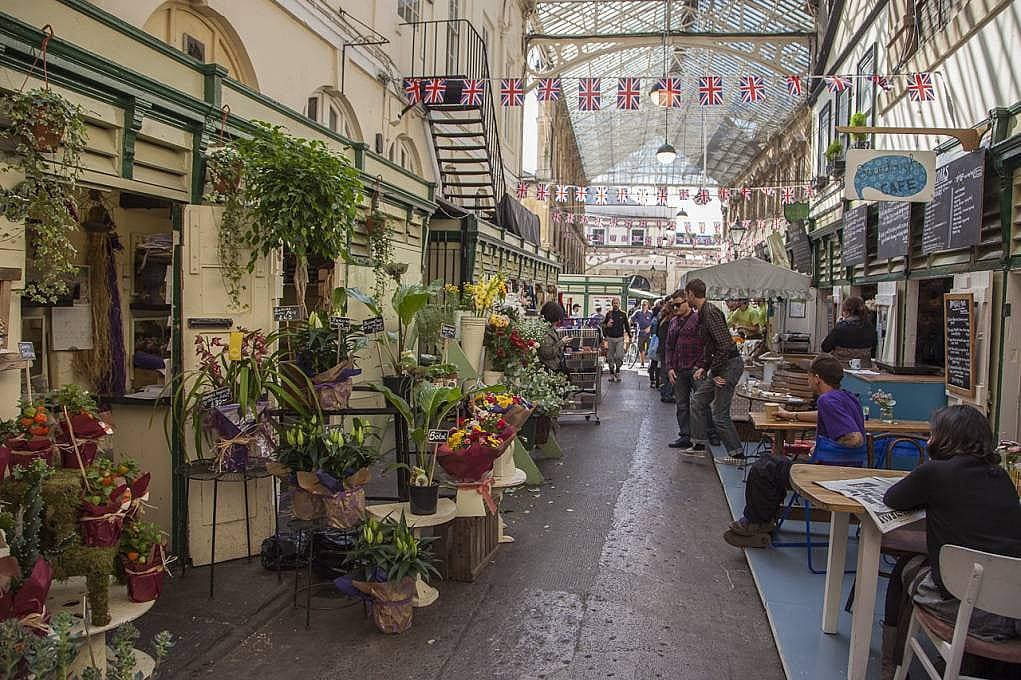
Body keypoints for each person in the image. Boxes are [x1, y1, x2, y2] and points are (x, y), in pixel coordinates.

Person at [880, 405, 1021, 680]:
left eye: (933, 434)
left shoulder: (934, 473)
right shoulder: (1001, 476)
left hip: (969, 609)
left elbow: (893, 499)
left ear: (944, 439)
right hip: (1014, 610)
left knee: (905, 568)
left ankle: (892, 666)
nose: (929, 440)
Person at [723, 354, 867, 547]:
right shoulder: (847, 397)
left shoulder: (827, 401)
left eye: (809, 375)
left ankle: (756, 523)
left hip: (827, 473)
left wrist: (826, 448)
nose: (807, 379)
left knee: (763, 467)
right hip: (850, 469)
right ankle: (765, 518)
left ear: (817, 378)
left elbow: (854, 438)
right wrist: (792, 415)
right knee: (774, 464)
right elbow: (827, 415)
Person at [687, 279, 745, 459]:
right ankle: (698, 445)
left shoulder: (710, 312)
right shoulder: (704, 313)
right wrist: (705, 367)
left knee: (719, 414)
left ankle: (737, 455)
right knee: (698, 401)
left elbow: (725, 345)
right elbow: (711, 346)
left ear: (690, 294)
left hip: (728, 365)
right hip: (722, 365)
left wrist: (717, 373)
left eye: (686, 295)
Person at [666, 297, 719, 449]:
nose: (675, 307)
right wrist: (669, 368)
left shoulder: (697, 319)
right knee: (681, 404)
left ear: (687, 302)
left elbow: (707, 344)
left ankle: (710, 433)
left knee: (702, 403)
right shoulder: (673, 321)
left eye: (678, 304)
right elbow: (669, 346)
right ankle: (685, 436)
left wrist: (702, 365)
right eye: (673, 305)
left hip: (695, 368)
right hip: (679, 368)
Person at [821, 296, 877, 366]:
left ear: (847, 312)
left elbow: (825, 347)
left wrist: (838, 325)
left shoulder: (840, 328)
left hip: (841, 368)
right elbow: (874, 349)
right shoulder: (870, 328)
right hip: (864, 368)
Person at [600, 297, 631, 383]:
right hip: (610, 338)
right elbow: (603, 325)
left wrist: (629, 335)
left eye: (617, 303)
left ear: (619, 304)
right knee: (610, 357)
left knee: (619, 356)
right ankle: (611, 373)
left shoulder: (623, 314)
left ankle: (617, 369)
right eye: (614, 303)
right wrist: (607, 325)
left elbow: (627, 326)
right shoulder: (609, 314)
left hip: (620, 338)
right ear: (612, 304)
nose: (615, 305)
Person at [537, 301, 570, 372]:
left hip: (552, 367)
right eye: (557, 318)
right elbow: (547, 353)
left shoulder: (550, 328)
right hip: (549, 368)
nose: (558, 321)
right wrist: (561, 342)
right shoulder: (544, 331)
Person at [655, 297, 675, 402]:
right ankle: (667, 393)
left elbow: (657, 333)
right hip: (668, 348)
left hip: (662, 348)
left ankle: (665, 392)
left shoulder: (662, 318)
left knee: (664, 370)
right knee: (669, 370)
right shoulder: (671, 320)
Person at [630, 300, 655, 368]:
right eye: (642, 304)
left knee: (650, 349)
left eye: (645, 305)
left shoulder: (650, 313)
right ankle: (642, 363)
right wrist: (630, 326)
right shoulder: (638, 312)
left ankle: (650, 362)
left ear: (647, 305)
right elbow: (631, 319)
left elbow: (654, 322)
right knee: (641, 349)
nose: (643, 306)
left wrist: (649, 328)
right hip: (640, 333)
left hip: (648, 334)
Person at [647, 302, 663, 389]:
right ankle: (656, 381)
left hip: (654, 340)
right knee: (657, 363)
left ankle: (653, 381)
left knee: (654, 362)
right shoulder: (658, 319)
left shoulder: (653, 319)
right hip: (657, 341)